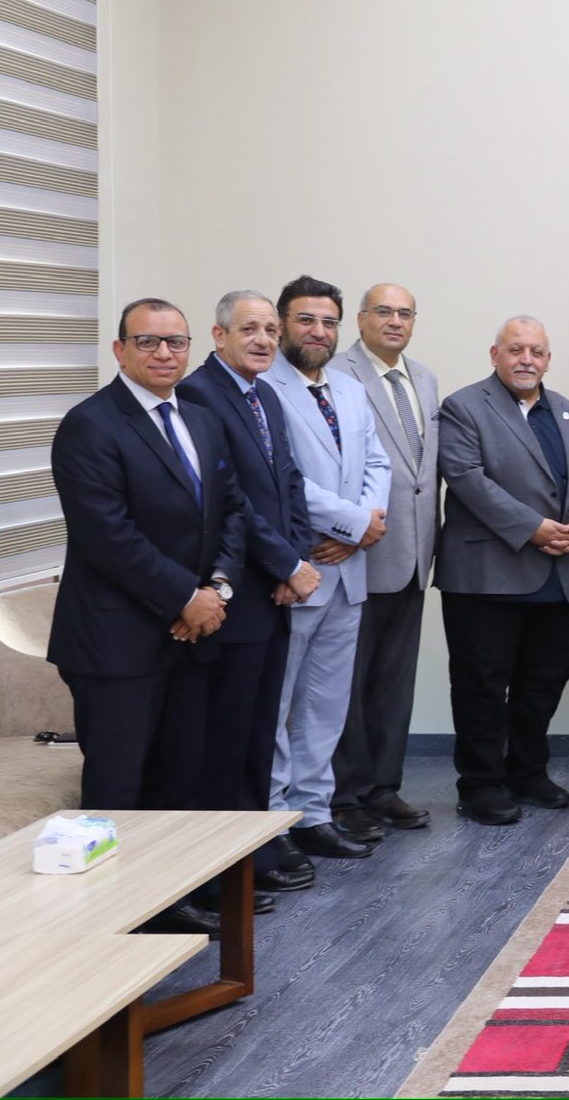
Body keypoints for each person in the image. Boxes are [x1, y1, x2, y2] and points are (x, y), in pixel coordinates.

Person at [50, 298, 244, 936]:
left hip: (192, 633)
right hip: (116, 643)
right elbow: (107, 536)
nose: (164, 353)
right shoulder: (90, 424)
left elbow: (231, 512)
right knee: (118, 787)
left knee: (178, 778)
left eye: (176, 342)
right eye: (148, 342)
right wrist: (185, 598)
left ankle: (165, 903)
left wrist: (215, 589)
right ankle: (105, 924)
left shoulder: (202, 419)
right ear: (120, 350)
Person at [178, 291, 323, 898]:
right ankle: (216, 870)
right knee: (226, 735)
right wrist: (284, 562)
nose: (263, 340)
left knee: (259, 732)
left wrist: (298, 561)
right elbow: (230, 498)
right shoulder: (197, 395)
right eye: (249, 330)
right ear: (219, 336)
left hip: (273, 594)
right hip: (230, 594)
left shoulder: (266, 395)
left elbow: (290, 484)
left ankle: (251, 851)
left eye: (270, 330)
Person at [436, 316, 569, 825]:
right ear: (495, 355)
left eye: (536, 351)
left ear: (548, 360)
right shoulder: (464, 407)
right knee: (482, 686)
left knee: (543, 680)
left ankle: (528, 772)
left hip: (554, 573)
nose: (526, 359)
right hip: (486, 575)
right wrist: (533, 527)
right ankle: (481, 785)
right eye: (515, 349)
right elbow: (467, 478)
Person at [263, 276, 390, 862]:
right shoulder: (262, 387)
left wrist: (365, 524)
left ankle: (313, 813)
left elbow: (378, 463)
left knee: (326, 704)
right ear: (282, 325)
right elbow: (282, 476)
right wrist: (352, 523)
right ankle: (272, 823)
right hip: (298, 567)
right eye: (306, 320)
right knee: (278, 704)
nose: (318, 331)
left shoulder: (349, 388)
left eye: (328, 322)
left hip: (347, 570)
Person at [330, 283, 440, 834]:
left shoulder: (424, 378)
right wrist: (344, 529)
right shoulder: (336, 374)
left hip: (415, 553)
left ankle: (384, 788)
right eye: (384, 312)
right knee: (347, 685)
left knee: (394, 684)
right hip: (357, 552)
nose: (395, 321)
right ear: (360, 318)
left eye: (405, 313)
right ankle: (345, 796)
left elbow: (422, 475)